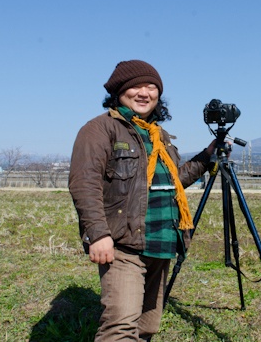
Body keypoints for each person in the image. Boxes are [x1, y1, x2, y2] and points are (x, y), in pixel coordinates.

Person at [68, 60, 214, 342]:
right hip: (124, 242)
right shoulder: (100, 129)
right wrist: (98, 234)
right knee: (120, 328)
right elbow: (84, 183)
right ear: (119, 92)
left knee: (147, 325)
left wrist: (207, 156)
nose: (144, 92)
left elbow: (172, 182)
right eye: (135, 86)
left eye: (151, 86)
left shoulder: (158, 135)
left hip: (161, 240)